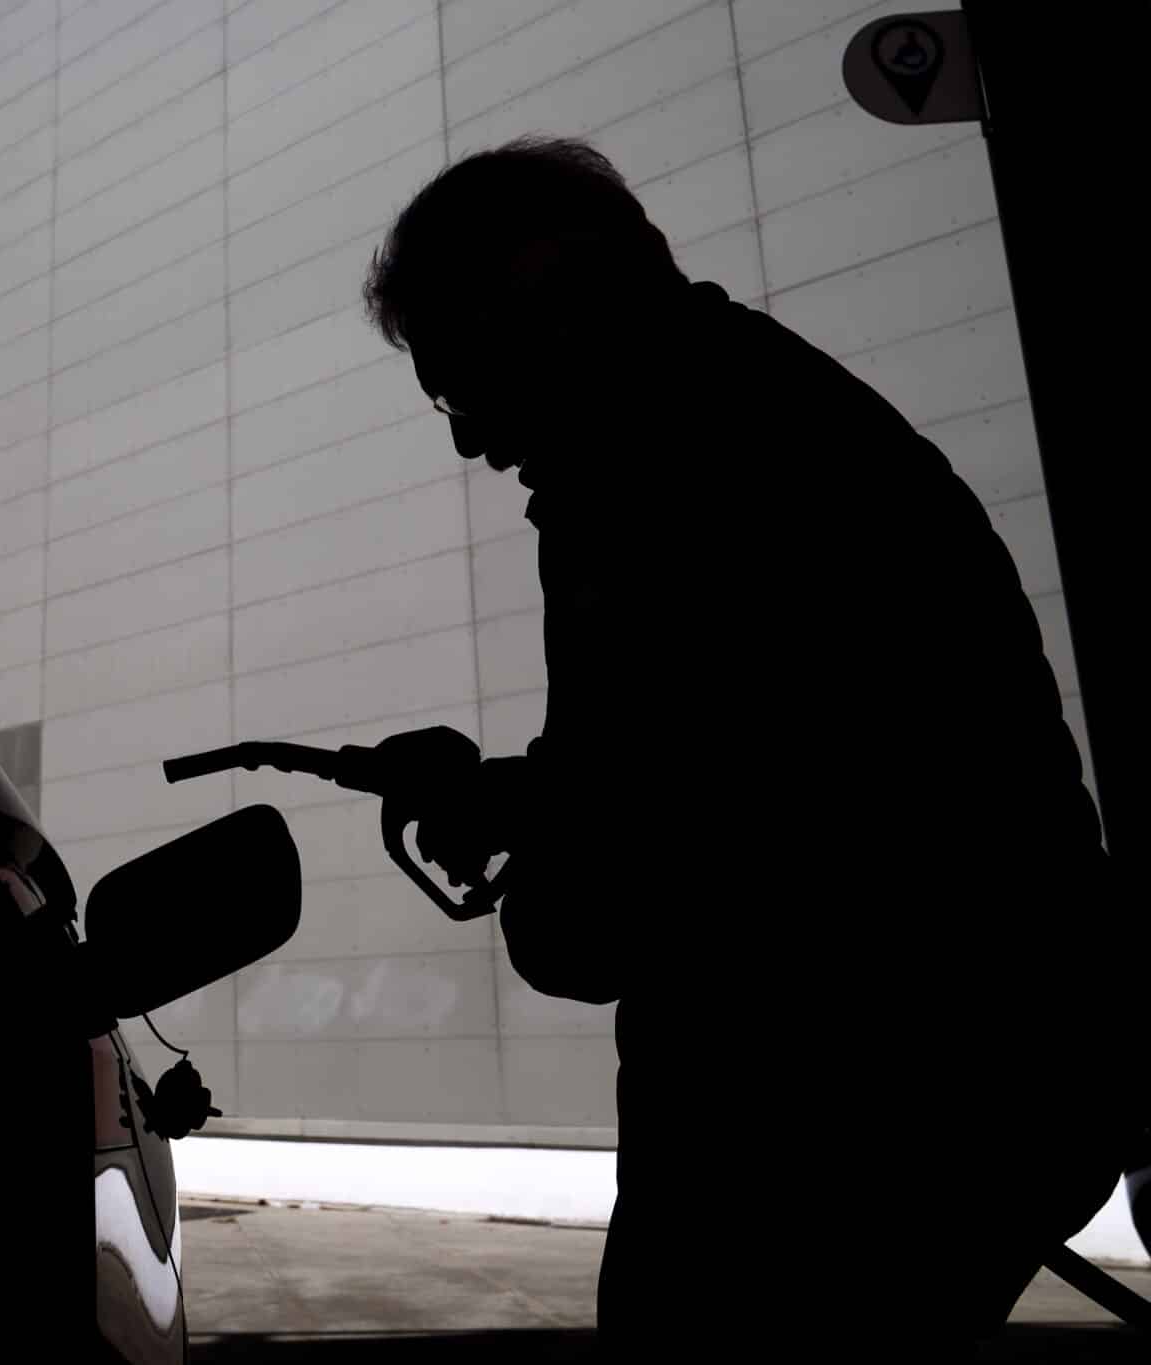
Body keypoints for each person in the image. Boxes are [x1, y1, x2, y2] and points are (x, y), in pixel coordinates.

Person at [359, 134, 1135, 1359]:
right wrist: (523, 797)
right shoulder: (769, 409)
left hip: (841, 1119)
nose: (464, 441)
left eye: (459, 385)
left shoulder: (640, 477)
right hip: (987, 1081)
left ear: (548, 319)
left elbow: (608, 901)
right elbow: (762, 761)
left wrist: (530, 856)